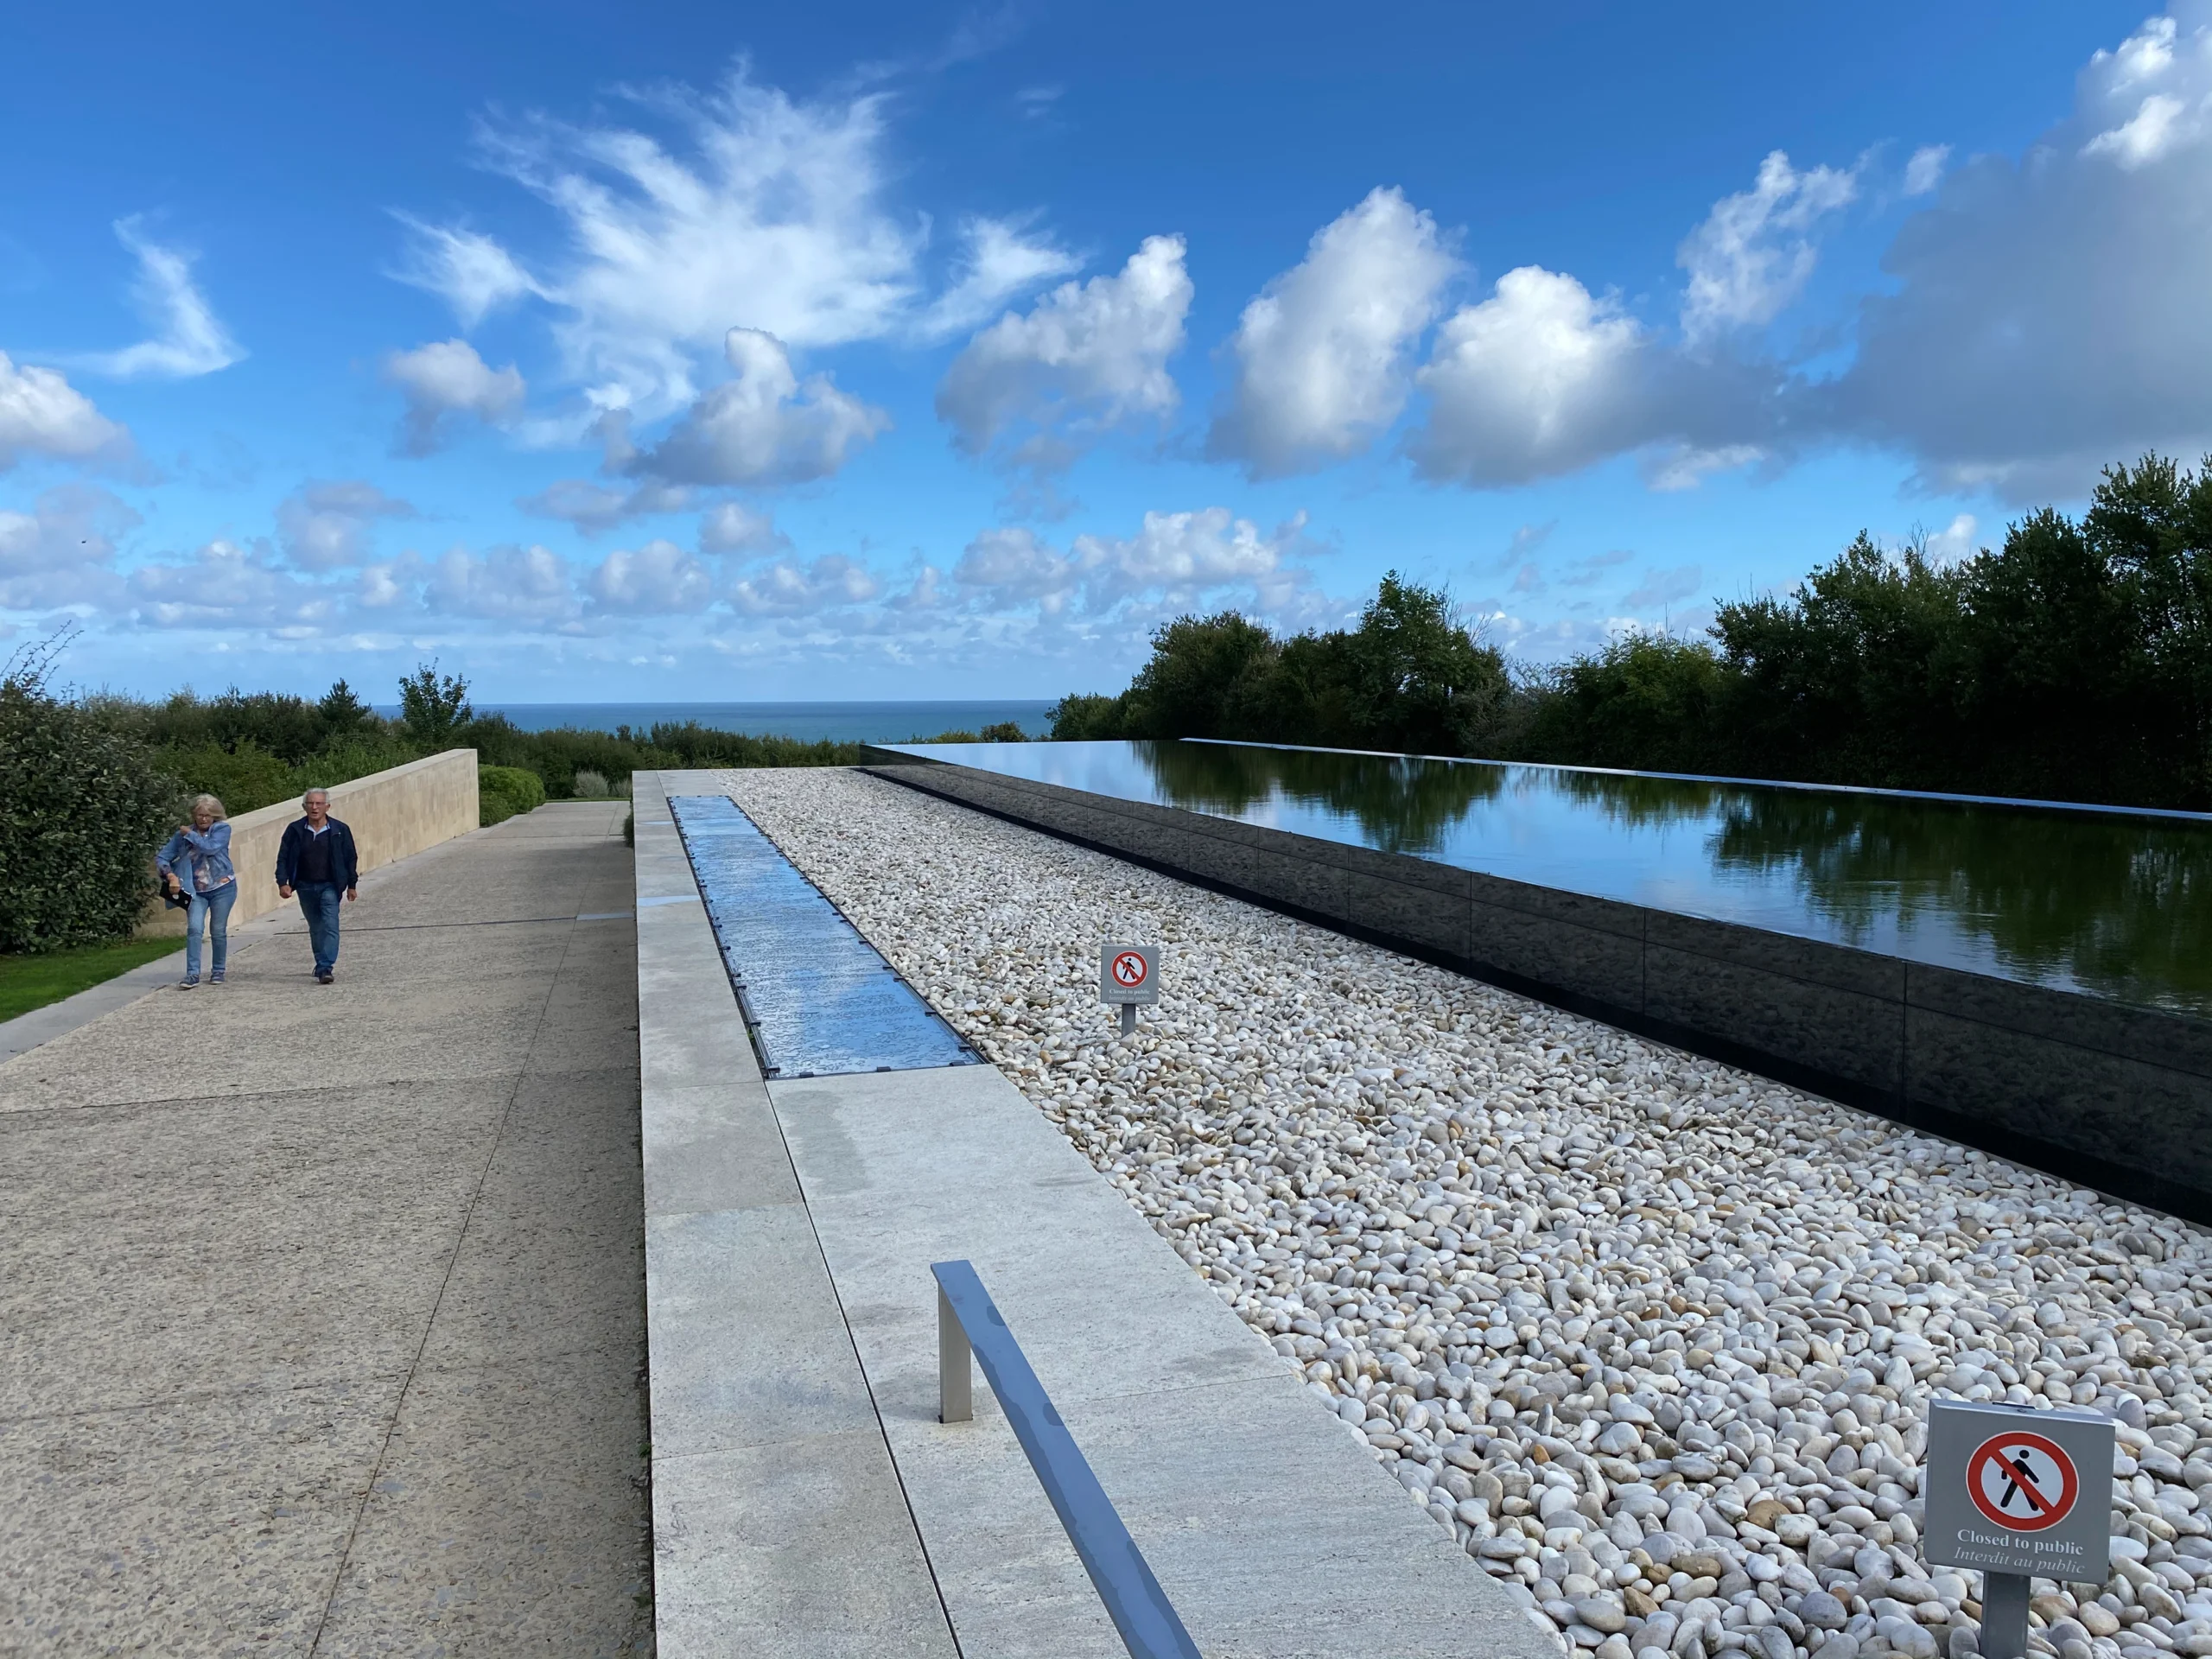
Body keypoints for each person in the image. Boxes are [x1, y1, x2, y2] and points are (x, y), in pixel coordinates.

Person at [275, 787, 359, 984]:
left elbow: (350, 858)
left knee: (330, 925)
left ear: (327, 806)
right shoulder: (295, 830)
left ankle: (325, 967)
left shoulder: (340, 830)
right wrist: (282, 882)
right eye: (310, 803)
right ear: (304, 807)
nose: (314, 807)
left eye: (319, 803)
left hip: (330, 885)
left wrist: (352, 885)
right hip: (304, 886)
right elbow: (283, 858)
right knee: (316, 927)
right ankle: (321, 962)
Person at [156, 794, 238, 988]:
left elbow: (210, 848)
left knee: (217, 930)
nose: (203, 819)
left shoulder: (221, 829)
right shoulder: (182, 836)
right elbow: (162, 857)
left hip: (222, 887)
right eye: (200, 815)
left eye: (208, 815)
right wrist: (170, 876)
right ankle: (192, 974)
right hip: (195, 890)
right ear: (193, 815)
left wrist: (189, 835)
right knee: (194, 929)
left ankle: (218, 970)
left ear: (215, 816)